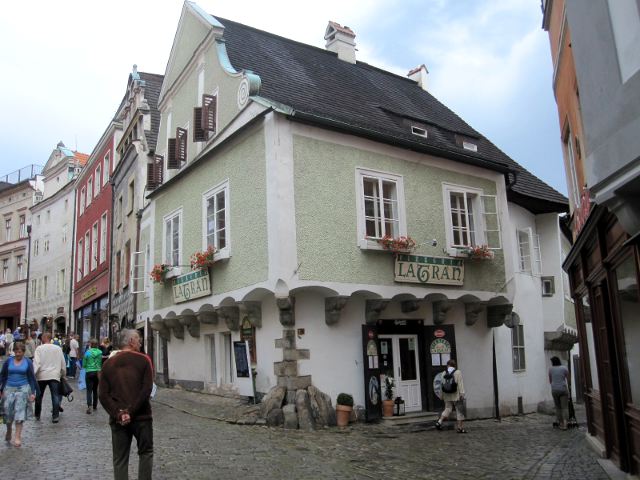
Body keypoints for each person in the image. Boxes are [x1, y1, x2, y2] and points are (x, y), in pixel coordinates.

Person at [99, 329, 154, 480]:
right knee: (146, 453)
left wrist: (119, 413)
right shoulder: (144, 360)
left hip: (118, 420)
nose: (140, 342)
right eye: (138, 339)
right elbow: (147, 389)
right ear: (131, 341)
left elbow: (103, 395)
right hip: (142, 417)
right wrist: (131, 411)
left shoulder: (108, 364)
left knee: (120, 459)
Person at [0, 342, 39, 447]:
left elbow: (32, 378)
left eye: (20, 352)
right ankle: (9, 430)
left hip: (23, 389)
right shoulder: (8, 361)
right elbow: (2, 375)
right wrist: (1, 389)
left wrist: (33, 393)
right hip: (9, 388)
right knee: (8, 412)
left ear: (23, 352)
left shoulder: (28, 362)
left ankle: (17, 437)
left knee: (20, 413)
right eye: (16, 352)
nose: (18, 354)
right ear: (14, 352)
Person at [33, 332, 66, 423]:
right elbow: (63, 363)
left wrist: (33, 374)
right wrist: (63, 374)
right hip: (54, 375)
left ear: (44, 338)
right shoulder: (58, 349)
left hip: (42, 375)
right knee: (55, 396)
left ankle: (37, 414)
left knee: (39, 396)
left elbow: (37, 363)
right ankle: (55, 416)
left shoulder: (39, 349)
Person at [435, 359, 467, 433]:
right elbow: (460, 384)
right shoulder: (458, 372)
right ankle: (460, 428)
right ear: (454, 365)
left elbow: (441, 385)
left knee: (447, 409)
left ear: (448, 365)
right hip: (456, 395)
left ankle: (439, 422)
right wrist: (462, 393)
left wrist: (441, 395)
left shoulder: (443, 373)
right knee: (459, 411)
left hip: (447, 395)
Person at [549, 356, 570, 430]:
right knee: (565, 407)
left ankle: (560, 423)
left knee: (558, 407)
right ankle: (565, 424)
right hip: (563, 389)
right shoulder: (564, 368)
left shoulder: (550, 369)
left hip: (554, 390)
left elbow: (550, 381)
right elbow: (568, 379)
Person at [83, 338, 102, 414]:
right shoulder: (100, 352)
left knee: (89, 390)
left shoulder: (87, 352)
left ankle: (89, 406)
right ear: (97, 345)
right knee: (95, 390)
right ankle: (95, 405)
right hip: (97, 372)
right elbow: (100, 363)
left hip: (89, 372)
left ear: (91, 344)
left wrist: (85, 366)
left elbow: (84, 363)